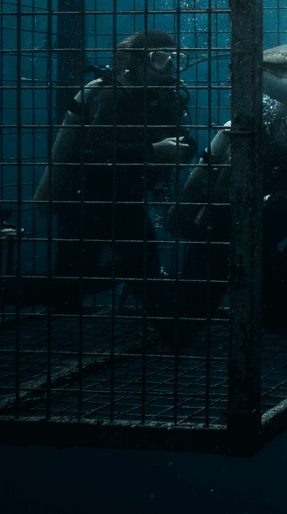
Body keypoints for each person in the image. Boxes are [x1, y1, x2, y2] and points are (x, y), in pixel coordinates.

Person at [27, 29, 196, 312]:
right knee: (69, 292)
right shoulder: (113, 94)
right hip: (86, 201)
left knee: (127, 276)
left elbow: (185, 139)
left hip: (125, 199)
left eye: (176, 60)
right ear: (136, 62)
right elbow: (92, 152)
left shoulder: (166, 96)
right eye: (159, 59)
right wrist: (153, 151)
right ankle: (10, 290)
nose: (169, 68)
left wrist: (182, 150)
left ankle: (172, 327)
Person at [161, 100, 287, 339]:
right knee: (184, 329)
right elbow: (218, 200)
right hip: (215, 242)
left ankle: (238, 293)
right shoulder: (252, 142)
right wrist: (263, 203)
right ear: (278, 119)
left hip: (262, 250)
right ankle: (169, 285)